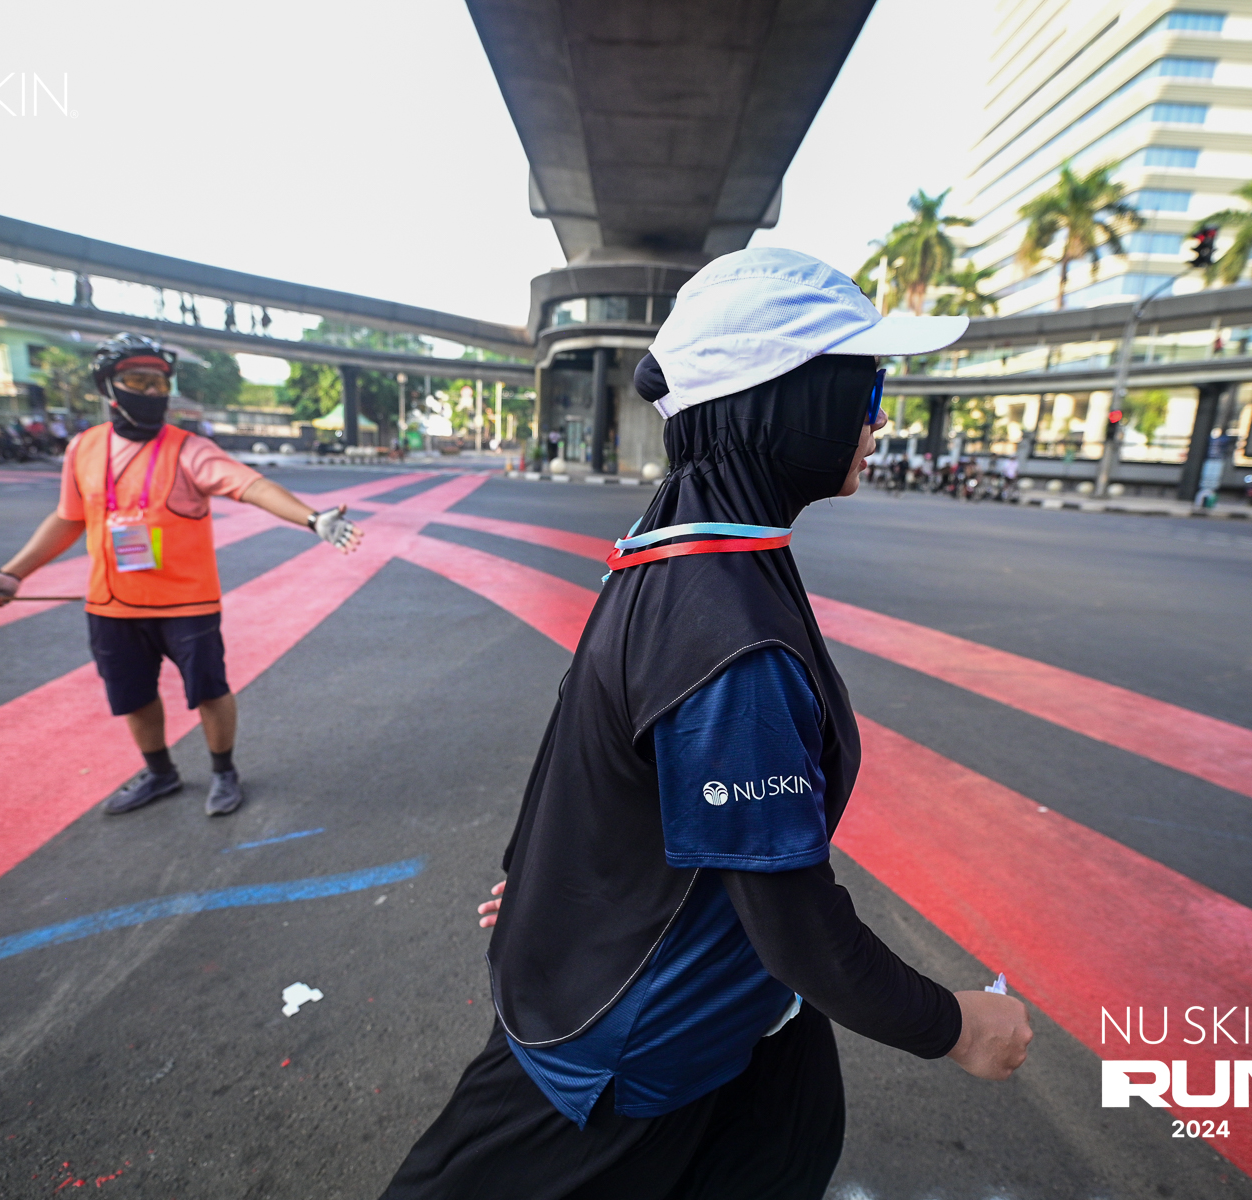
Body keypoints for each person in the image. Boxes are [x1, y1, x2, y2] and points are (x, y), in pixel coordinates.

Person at [380, 250, 1031, 1200]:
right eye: (867, 388)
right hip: (634, 1038)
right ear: (787, 403)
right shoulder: (729, 631)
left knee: (792, 1147)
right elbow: (794, 920)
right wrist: (958, 1027)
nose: (879, 418)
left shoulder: (679, 544)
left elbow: (590, 733)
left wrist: (555, 877)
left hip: (733, 999)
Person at [0, 333, 364, 817]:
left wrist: (312, 518)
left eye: (159, 383)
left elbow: (251, 485)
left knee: (209, 691)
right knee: (133, 696)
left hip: (187, 604)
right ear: (109, 387)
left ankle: (224, 771)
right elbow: (68, 518)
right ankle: (160, 773)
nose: (152, 392)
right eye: (138, 381)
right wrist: (13, 574)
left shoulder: (189, 450)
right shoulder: (84, 448)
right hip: (111, 605)